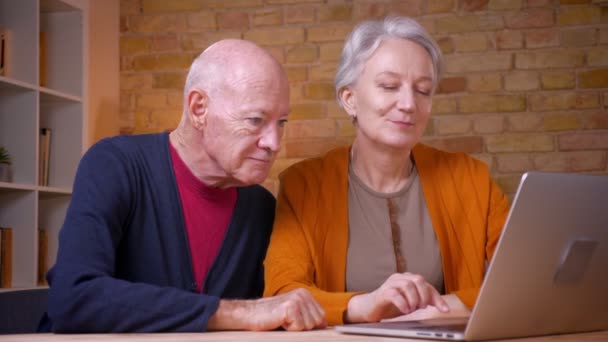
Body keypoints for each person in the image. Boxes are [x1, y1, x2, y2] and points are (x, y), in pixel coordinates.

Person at [42, 39, 326, 333]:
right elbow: (73, 298)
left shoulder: (261, 208)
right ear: (199, 108)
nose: (274, 143)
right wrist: (239, 312)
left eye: (281, 122)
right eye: (255, 120)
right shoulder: (115, 164)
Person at [263, 17, 511, 326]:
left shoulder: (470, 177)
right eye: (389, 86)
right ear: (349, 99)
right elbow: (282, 292)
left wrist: (444, 307)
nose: (409, 104)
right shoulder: (304, 184)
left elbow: (524, 276)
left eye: (423, 90)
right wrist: (363, 306)